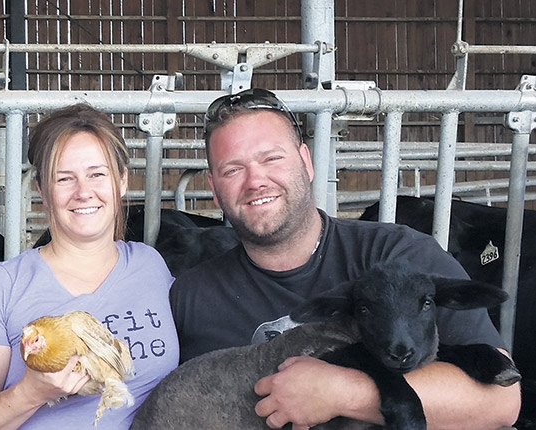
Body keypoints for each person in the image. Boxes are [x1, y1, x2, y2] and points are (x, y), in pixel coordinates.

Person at [170, 88, 521, 429]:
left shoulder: (399, 257)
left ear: (305, 162)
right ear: (215, 191)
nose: (255, 180)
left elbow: (500, 402)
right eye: (233, 169)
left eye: (271, 158)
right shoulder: (190, 297)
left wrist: (341, 393)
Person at [0, 104, 179, 430]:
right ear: (41, 190)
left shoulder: (150, 266)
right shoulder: (1, 287)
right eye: (64, 178)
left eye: (97, 174)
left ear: (122, 181)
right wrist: (30, 392)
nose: (84, 192)